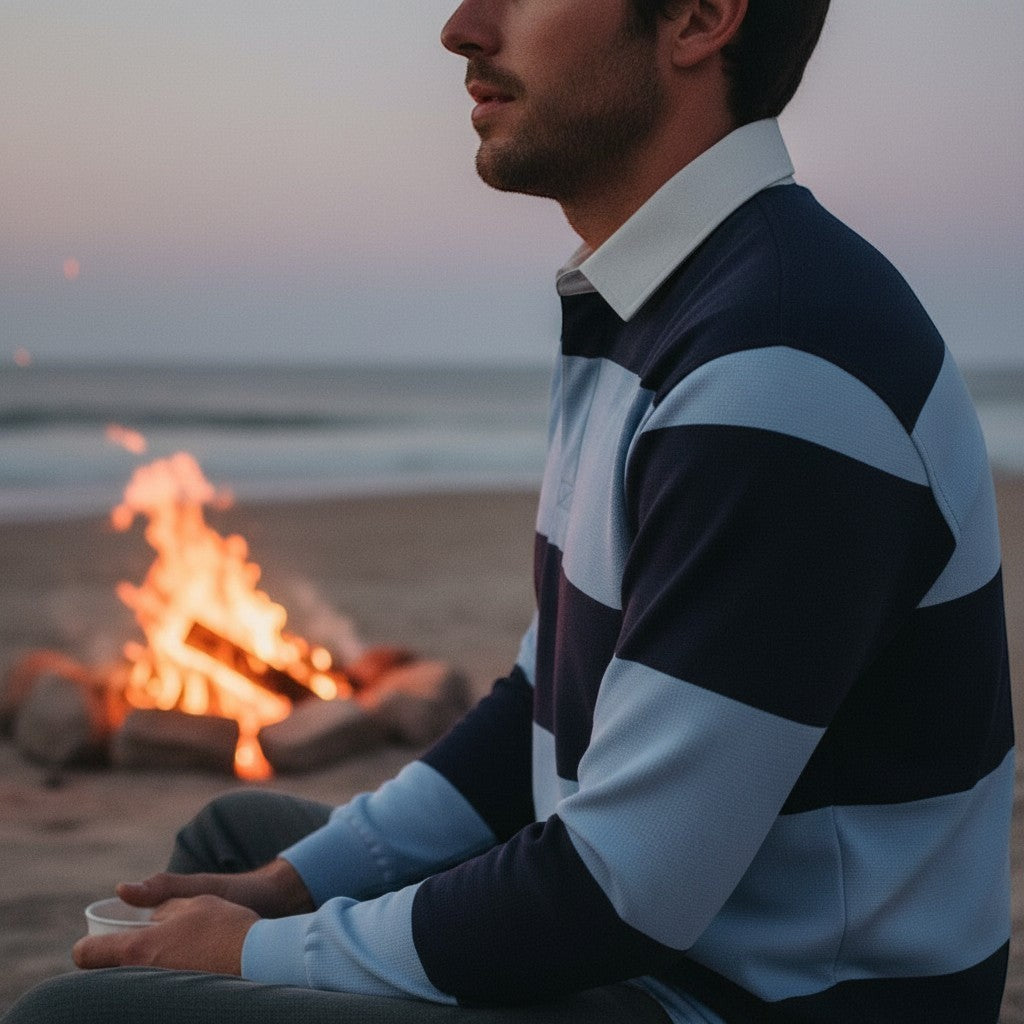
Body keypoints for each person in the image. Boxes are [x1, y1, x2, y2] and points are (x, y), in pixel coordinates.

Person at [4, 0, 1014, 1021]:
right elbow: (542, 701)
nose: (460, 27)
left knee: (69, 1014)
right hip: (663, 937)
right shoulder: (662, 305)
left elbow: (615, 892)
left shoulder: (779, 368)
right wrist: (289, 892)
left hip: (750, 995)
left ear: (701, 17)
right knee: (241, 842)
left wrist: (265, 950)